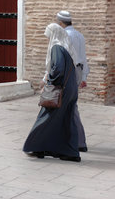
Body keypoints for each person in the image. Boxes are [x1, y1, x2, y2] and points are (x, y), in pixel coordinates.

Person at [23, 23, 81, 162]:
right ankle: (70, 152)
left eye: (49, 36)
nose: (48, 40)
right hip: (71, 89)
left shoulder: (56, 47)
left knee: (46, 116)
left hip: (61, 91)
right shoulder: (67, 48)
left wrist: (50, 82)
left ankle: (36, 147)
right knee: (67, 120)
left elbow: (58, 69)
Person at [56, 10, 89, 152]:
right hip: (78, 71)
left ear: (61, 22)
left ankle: (78, 141)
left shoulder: (65, 36)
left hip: (69, 73)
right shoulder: (79, 35)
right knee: (71, 105)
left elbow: (63, 59)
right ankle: (76, 140)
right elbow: (84, 57)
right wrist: (84, 76)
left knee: (69, 106)